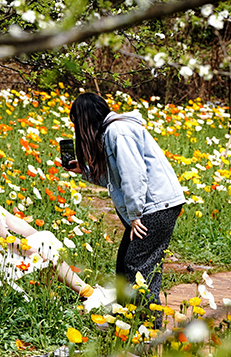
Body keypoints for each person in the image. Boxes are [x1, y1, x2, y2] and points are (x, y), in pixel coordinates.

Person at [67, 92, 185, 327]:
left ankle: (147, 326)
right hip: (154, 205)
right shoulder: (113, 132)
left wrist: (134, 215)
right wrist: (86, 172)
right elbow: (115, 179)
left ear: (85, 121)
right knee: (127, 263)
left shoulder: (118, 132)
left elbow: (134, 175)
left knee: (137, 265)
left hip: (155, 206)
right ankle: (127, 319)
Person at [0, 148, 112, 310]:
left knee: (46, 241)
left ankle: (55, 296)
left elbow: (12, 221)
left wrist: (40, 238)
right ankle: (88, 294)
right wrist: (36, 252)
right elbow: (5, 239)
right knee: (46, 249)